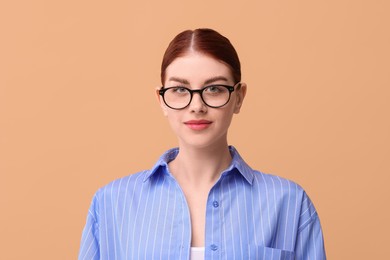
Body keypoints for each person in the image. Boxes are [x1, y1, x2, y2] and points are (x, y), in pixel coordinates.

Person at [78, 28, 326, 260]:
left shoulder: (288, 203)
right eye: (179, 90)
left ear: (238, 98)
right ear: (161, 99)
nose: (197, 106)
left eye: (214, 89)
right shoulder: (111, 203)